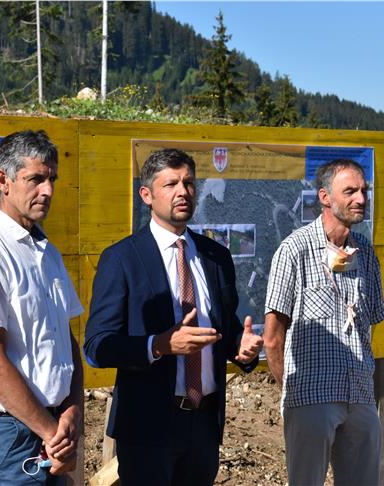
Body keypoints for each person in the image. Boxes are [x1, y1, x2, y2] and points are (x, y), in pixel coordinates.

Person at [83, 148, 264, 486]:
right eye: (171, 184)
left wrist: (242, 347)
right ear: (147, 195)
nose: (183, 191)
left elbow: (222, 330)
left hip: (205, 423)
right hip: (148, 427)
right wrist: (158, 345)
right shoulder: (122, 259)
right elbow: (97, 346)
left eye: (189, 182)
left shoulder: (216, 256)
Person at [0, 130, 84, 485]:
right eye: (36, 179)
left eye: (52, 178)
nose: (48, 190)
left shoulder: (46, 252)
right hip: (6, 438)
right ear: (3, 181)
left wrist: (72, 414)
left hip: (50, 429)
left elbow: (66, 344)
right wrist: (54, 432)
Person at [263, 159, 384, 486]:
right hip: (311, 400)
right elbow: (273, 338)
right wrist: (293, 392)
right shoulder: (294, 250)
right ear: (325, 197)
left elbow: (369, 325)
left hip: (360, 396)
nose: (361, 198)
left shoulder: (367, 253)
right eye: (350, 191)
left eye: (364, 190)